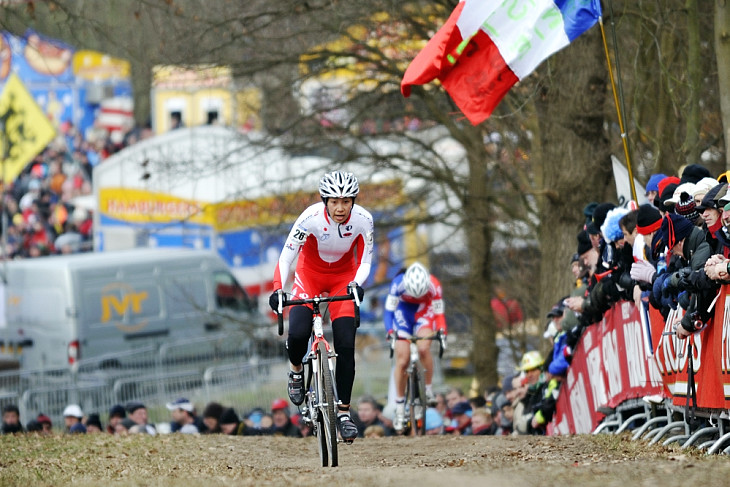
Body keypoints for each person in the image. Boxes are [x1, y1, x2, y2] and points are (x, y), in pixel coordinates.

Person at [268, 170, 374, 443]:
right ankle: (295, 372)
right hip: (310, 276)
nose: (340, 208)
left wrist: (355, 284)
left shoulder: (364, 220)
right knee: (298, 333)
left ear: (353, 201)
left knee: (346, 344)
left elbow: (364, 261)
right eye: (334, 201)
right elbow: (286, 257)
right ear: (324, 200)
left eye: (346, 201)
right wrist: (279, 289)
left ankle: (344, 413)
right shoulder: (310, 218)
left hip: (343, 278)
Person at [383, 262, 447, 432]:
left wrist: (442, 332)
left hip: (424, 313)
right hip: (403, 313)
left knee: (424, 347)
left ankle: (428, 389)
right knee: (402, 360)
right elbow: (388, 312)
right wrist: (390, 331)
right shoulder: (398, 283)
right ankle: (399, 407)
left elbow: (439, 314)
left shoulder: (434, 285)